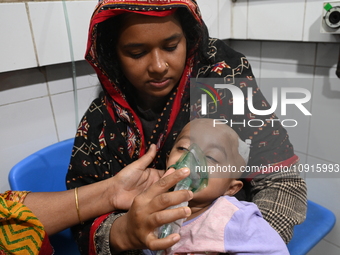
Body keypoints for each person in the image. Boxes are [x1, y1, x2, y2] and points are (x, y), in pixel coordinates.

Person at [66, 0, 307, 254]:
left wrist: (241, 239)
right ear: (113, 54)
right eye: (136, 53)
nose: (158, 66)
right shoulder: (102, 123)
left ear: (189, 39)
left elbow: (281, 181)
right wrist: (127, 232)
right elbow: (85, 222)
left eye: (171, 46)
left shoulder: (223, 81)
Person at [0, 148, 192, 255]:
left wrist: (112, 192)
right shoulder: (99, 122)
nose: (191, 163)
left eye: (212, 157)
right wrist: (123, 231)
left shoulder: (222, 219)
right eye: (182, 149)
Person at [145, 118, 290, 255]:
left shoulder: (233, 218)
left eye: (211, 157)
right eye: (183, 148)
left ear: (231, 188)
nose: (191, 159)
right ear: (167, 159)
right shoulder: (155, 206)